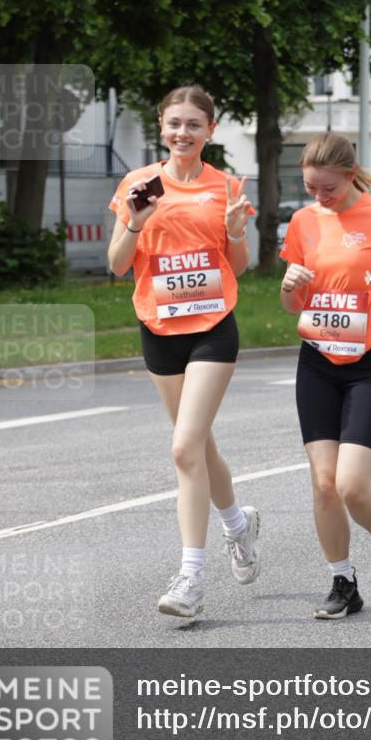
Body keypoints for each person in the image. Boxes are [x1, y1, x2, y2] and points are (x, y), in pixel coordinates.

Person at [108, 84, 260, 619]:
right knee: (197, 445)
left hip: (212, 328)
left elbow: (237, 266)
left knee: (182, 448)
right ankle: (239, 524)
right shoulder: (138, 184)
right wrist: (135, 221)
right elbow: (117, 264)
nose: (183, 133)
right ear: (161, 125)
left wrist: (236, 232)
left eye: (194, 124)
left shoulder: (226, 187)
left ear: (210, 130)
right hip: (159, 327)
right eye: (175, 123)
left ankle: (191, 577)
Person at [279, 133, 371, 619]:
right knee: (324, 483)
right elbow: (291, 304)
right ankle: (343, 582)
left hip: (370, 362)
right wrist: (289, 285)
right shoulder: (303, 222)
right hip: (317, 361)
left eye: (329, 188)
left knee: (351, 485)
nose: (319, 197)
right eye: (310, 188)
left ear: (350, 174)